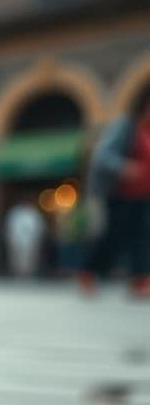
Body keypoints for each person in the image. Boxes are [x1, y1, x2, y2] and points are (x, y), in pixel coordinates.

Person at [80, 91, 150, 298]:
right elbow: (102, 156)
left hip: (143, 195)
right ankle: (88, 273)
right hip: (119, 193)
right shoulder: (126, 127)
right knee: (113, 236)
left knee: (142, 236)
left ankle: (140, 280)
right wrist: (125, 167)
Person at [3, 199, 45, 278]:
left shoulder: (34, 213)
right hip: (17, 239)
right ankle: (17, 273)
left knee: (29, 259)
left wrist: (37, 239)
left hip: (30, 241)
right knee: (16, 258)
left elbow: (39, 228)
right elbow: (10, 227)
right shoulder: (15, 213)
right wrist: (10, 238)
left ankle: (27, 274)